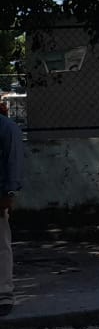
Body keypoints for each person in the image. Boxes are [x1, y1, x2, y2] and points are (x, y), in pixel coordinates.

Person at [0, 106, 24, 317]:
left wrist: (8, 194)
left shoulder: (6, 127)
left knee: (1, 246)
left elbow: (13, 162)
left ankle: (4, 294)